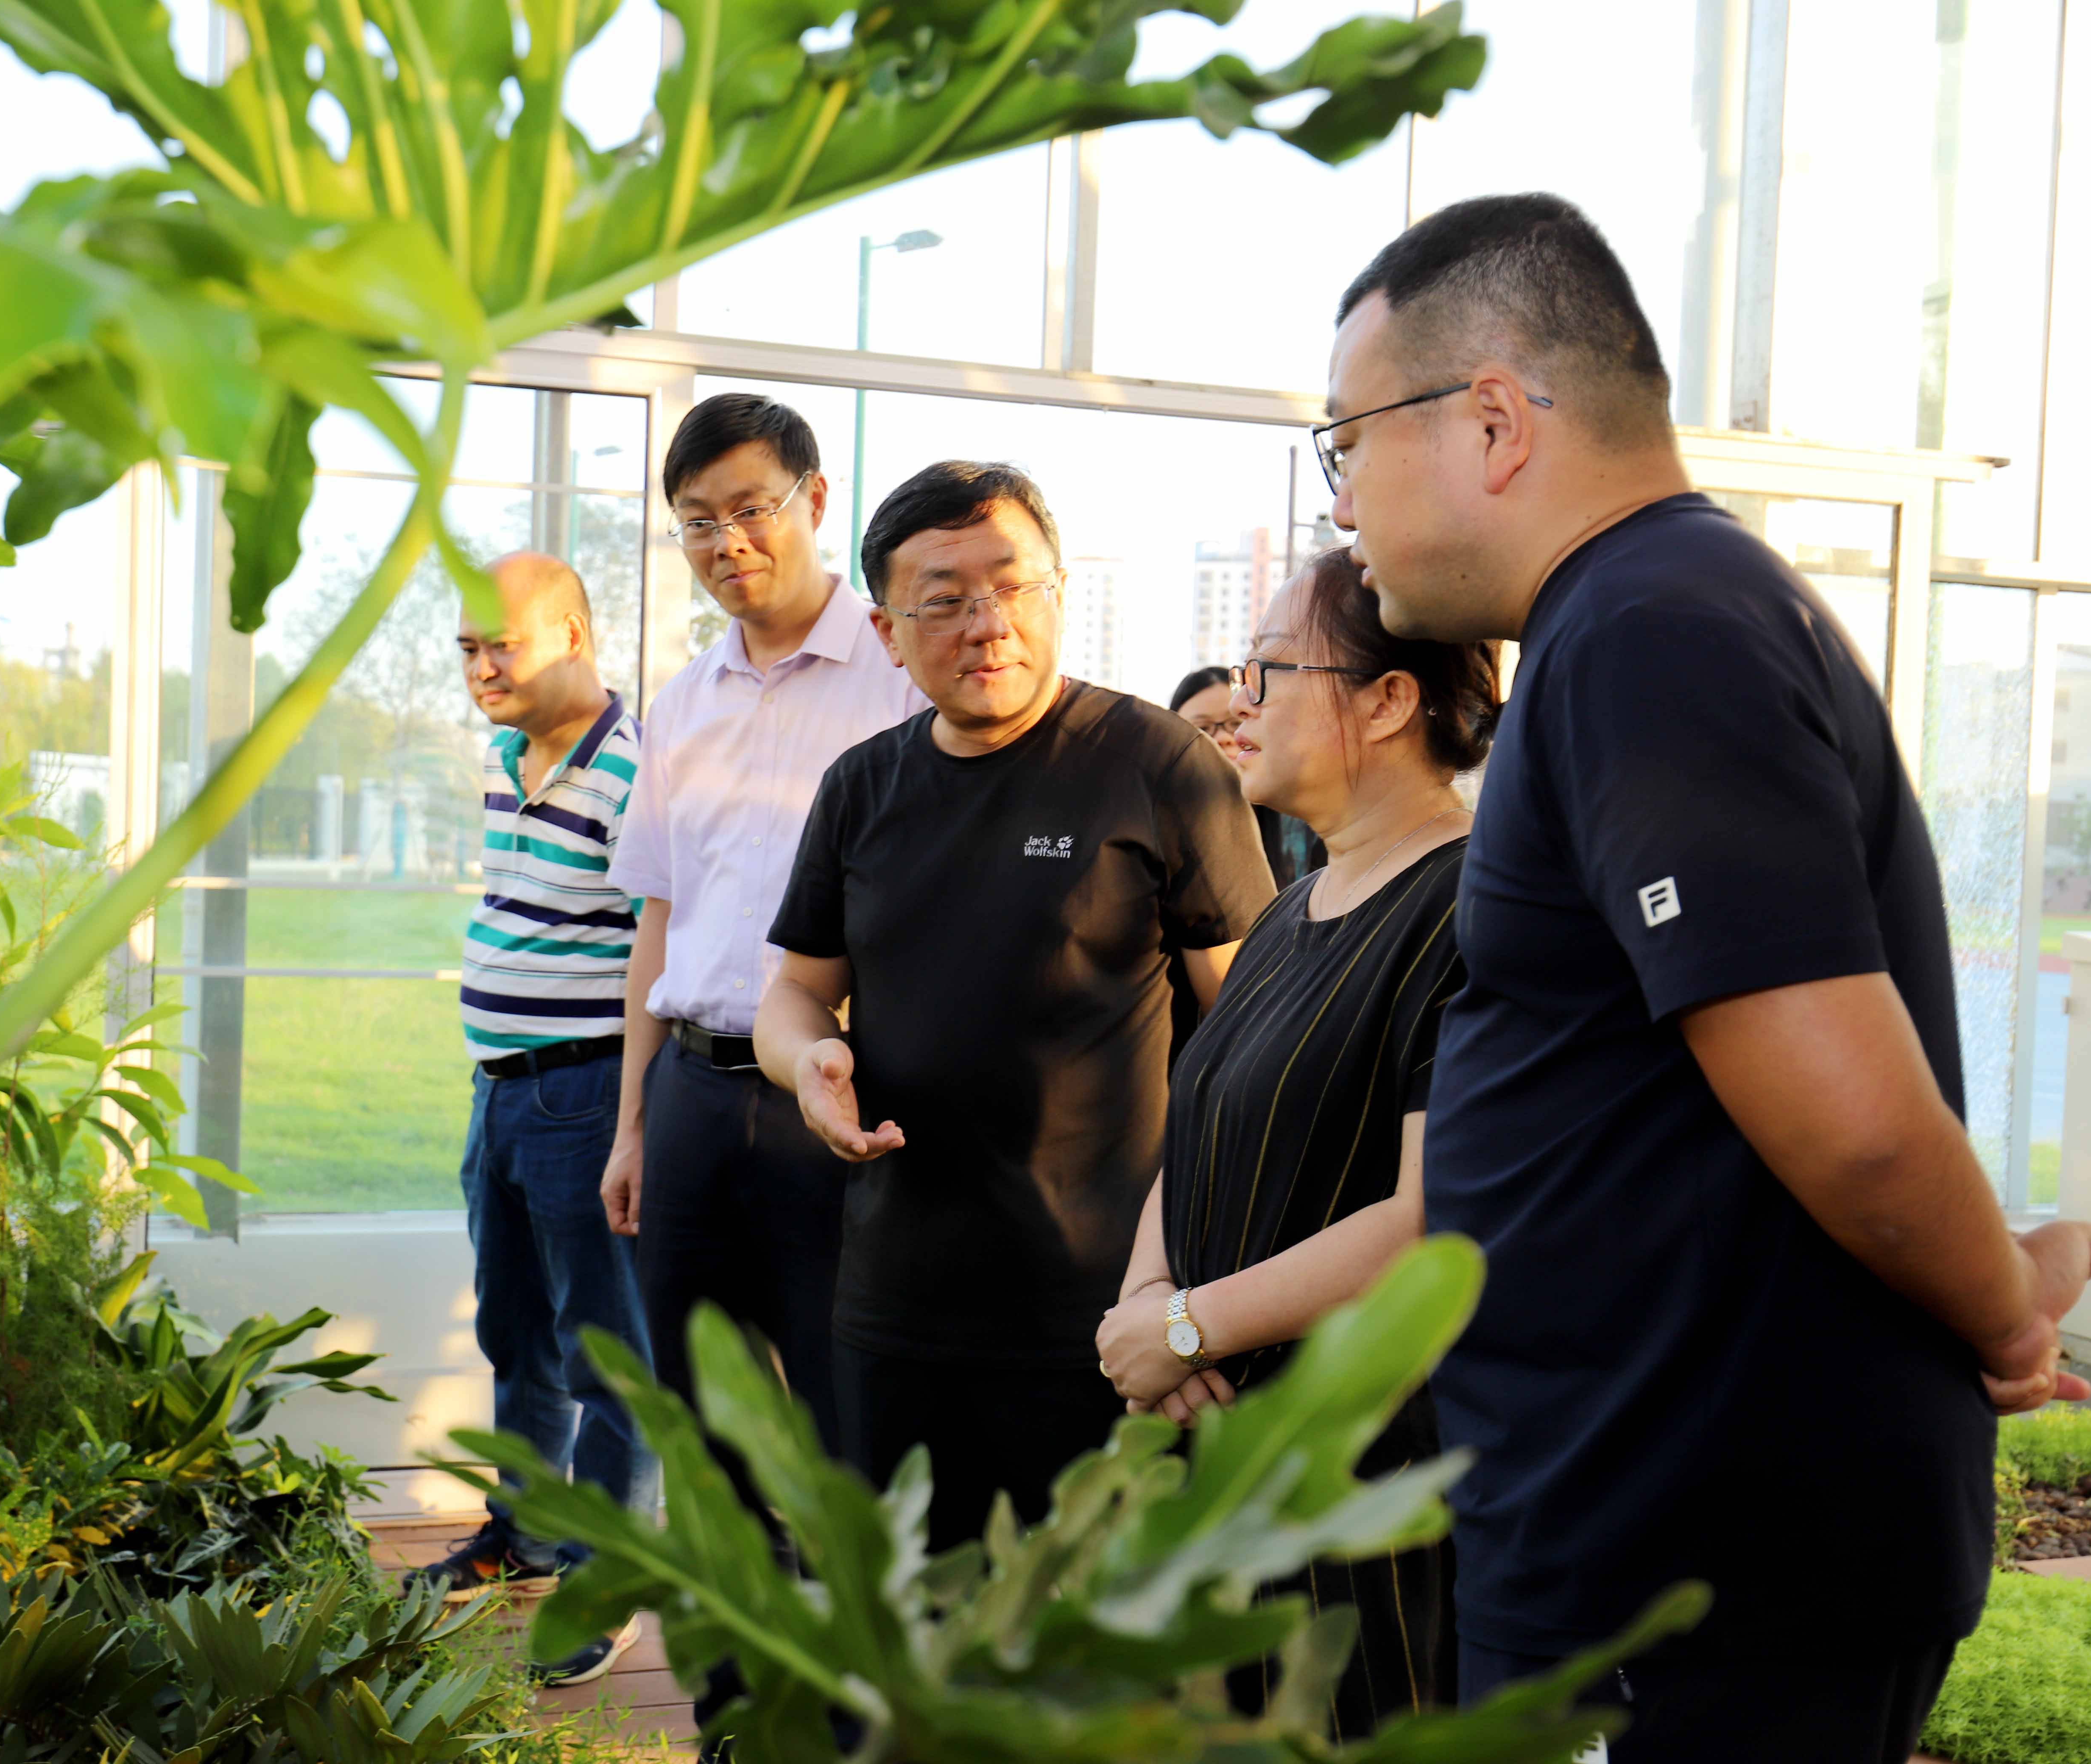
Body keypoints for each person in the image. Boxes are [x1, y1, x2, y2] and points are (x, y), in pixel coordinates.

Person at [1323, 191, 2091, 1760]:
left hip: (1696, 1572)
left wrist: (2006, 1313)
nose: (1338, 503)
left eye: (1340, 442)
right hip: (1651, 1540)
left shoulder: (1651, 631)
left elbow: (1851, 1114)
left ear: (1490, 421)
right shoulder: (1639, 621)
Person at [755, 461, 1279, 1549]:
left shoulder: (1158, 765)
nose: (986, 623)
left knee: (1094, 1655)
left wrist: (1194, 1300)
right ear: (889, 633)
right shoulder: (861, 787)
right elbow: (795, 996)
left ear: (1058, 590)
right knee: (914, 1634)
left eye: (1013, 585)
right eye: (944, 599)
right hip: (898, 1302)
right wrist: (807, 1062)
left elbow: (1257, 1041)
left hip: (1103, 1308)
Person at [1102, 547, 1494, 1736]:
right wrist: (1149, 1299)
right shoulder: (1291, 907)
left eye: (1270, 669)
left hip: (1357, 1488)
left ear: (1388, 701)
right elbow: (1205, 1127)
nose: (1245, 701)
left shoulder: (1471, 908)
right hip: (1218, 1455)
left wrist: (1185, 1327)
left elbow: (1433, 1219)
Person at [601, 392, 922, 1444]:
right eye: (697, 520)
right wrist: (634, 1124)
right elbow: (660, 919)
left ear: (815, 498)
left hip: (836, 1093)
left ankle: (843, 1607)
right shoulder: (682, 703)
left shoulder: (903, 677)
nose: (725, 542)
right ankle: (708, 1606)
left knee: (845, 1393)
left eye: (751, 508)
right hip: (691, 1089)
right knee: (696, 1398)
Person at [423, 552, 652, 1688]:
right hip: (501, 1088)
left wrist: (634, 1122)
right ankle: (526, 1534)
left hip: (588, 1091)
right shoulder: (509, 758)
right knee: (517, 1334)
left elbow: (667, 942)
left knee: (607, 1351)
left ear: (572, 634)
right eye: (466, 647)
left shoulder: (637, 768)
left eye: (500, 643)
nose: (480, 667)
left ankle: (609, 1577)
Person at [1167, 664, 1318, 887]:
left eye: (1236, 724)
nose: (1224, 738)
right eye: (1202, 729)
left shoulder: (1305, 823)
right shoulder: (1154, 828)